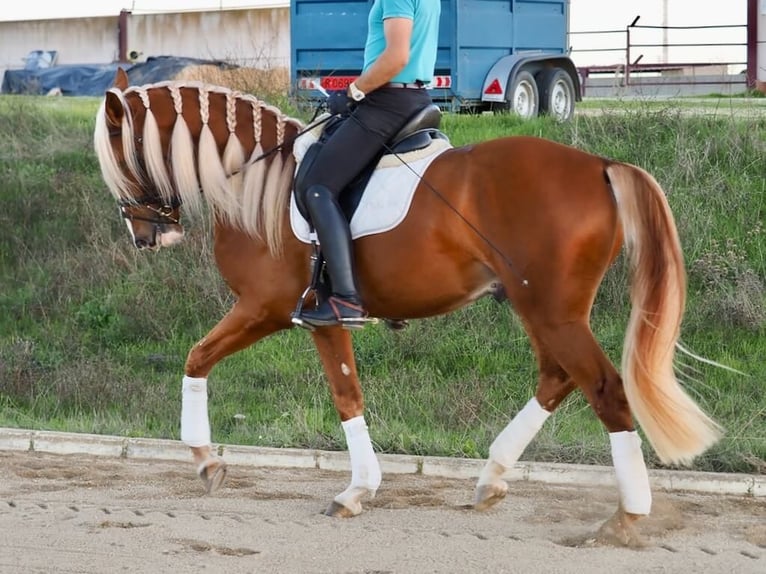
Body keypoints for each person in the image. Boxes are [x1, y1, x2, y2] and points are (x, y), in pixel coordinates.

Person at [294, 0, 441, 329]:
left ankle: (345, 298)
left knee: (318, 187)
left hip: (388, 103)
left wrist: (353, 92)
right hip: (415, 97)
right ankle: (385, 282)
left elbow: (397, 56)